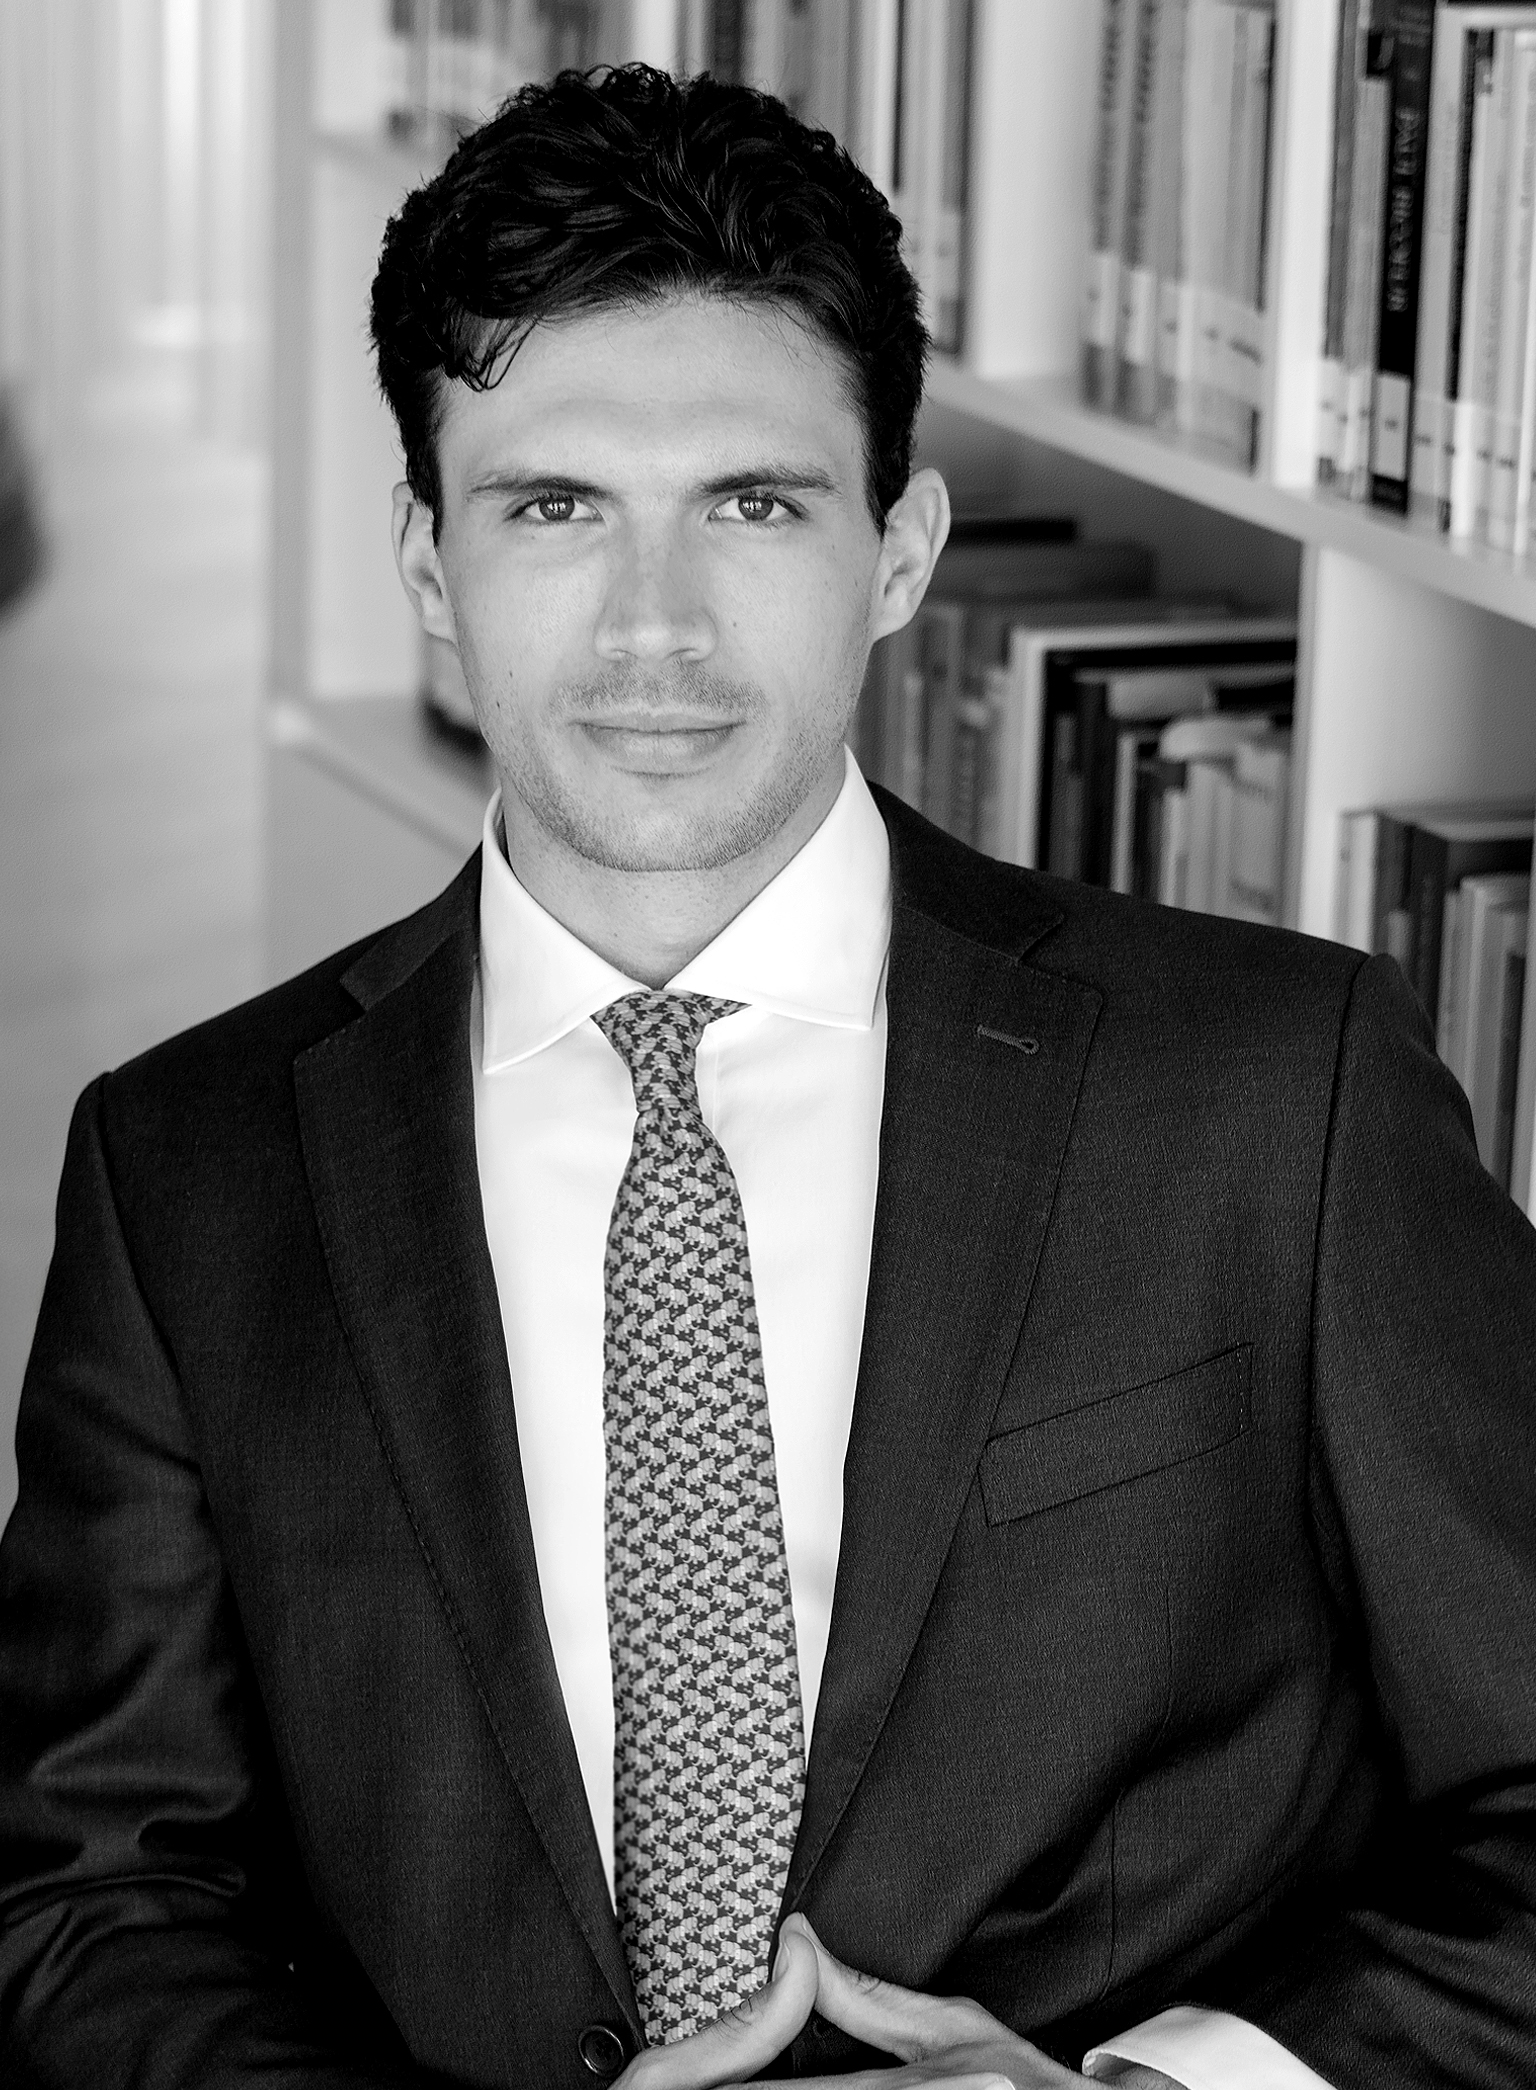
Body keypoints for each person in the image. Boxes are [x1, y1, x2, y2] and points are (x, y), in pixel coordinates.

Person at [2, 61, 1535, 2090]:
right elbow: (94, 1897)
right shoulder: (183, 1170)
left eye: (752, 503)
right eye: (555, 508)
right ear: (428, 562)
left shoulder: (1284, 1094)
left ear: (899, 550)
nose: (656, 628)